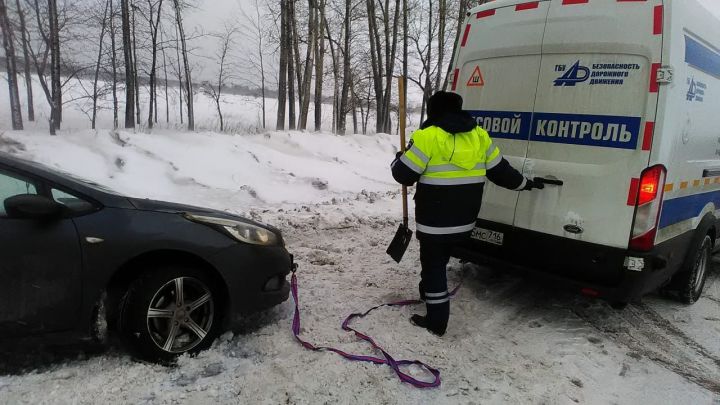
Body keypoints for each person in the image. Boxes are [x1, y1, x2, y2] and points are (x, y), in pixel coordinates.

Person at [390, 91, 543, 336]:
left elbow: (403, 175)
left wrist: (399, 159)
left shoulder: (427, 136)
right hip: (464, 220)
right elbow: (501, 172)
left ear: (433, 111)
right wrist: (524, 183)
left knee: (434, 266)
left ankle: (436, 321)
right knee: (438, 262)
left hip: (434, 221)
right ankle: (428, 291)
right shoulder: (479, 136)